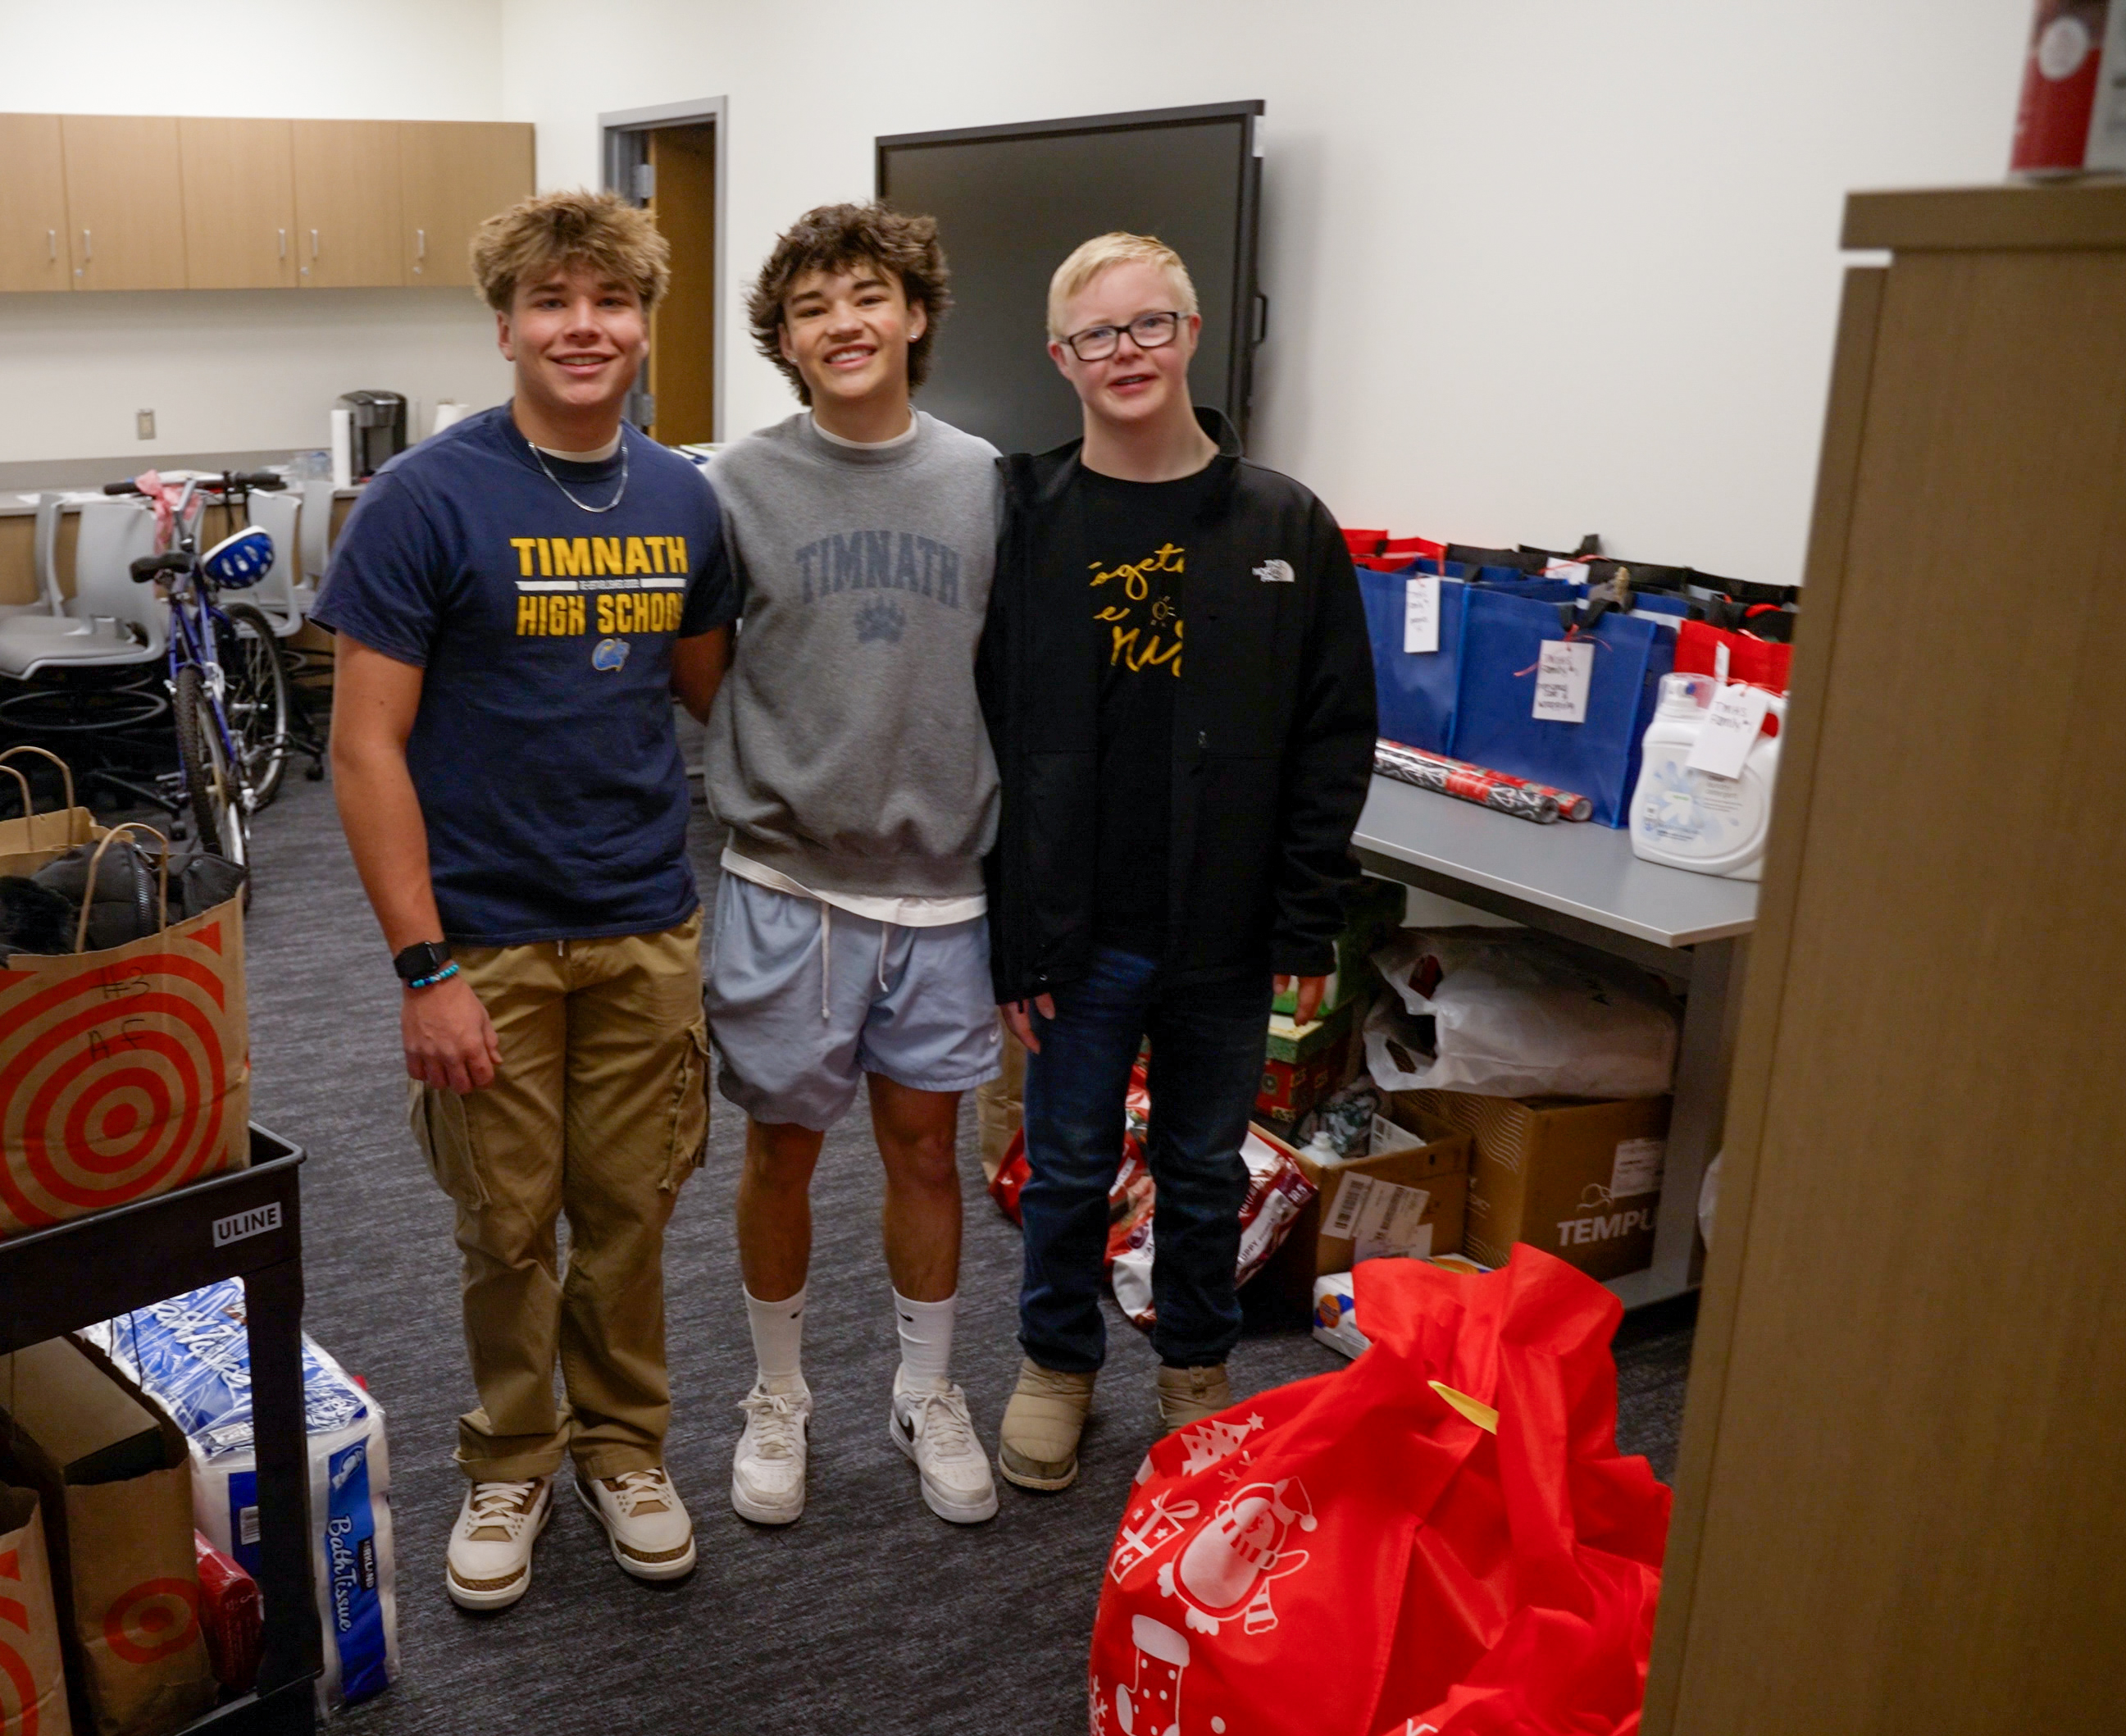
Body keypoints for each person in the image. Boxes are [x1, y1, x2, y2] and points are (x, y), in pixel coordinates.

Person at [313, 190, 738, 1611]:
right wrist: (421, 968)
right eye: (552, 303)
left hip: (640, 921)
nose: (583, 327)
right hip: (484, 938)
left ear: (640, 324)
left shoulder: (684, 499)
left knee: (630, 1211)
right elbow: (362, 746)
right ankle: (511, 1456)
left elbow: (718, 699)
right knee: (505, 1223)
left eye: (609, 302)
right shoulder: (426, 501)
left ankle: (626, 1447)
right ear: (505, 326)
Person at [978, 233, 1376, 1492]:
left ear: (1193, 335)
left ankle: (1196, 1369)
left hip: (1226, 923)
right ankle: (1056, 1363)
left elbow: (1332, 736)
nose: (1126, 353)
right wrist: (1012, 929)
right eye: (1098, 335)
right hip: (1073, 928)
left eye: (1149, 326)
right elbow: (982, 733)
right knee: (1069, 1166)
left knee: (1206, 1169)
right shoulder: (1021, 515)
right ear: (1060, 359)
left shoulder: (1282, 525)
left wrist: (1305, 925)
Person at [689, 203, 1006, 1529]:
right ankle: (779, 1396)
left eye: (867, 296)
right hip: (786, 883)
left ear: (916, 315)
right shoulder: (734, 485)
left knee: (928, 1155)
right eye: (812, 307)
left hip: (942, 890)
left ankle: (926, 1391)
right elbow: (702, 668)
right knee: (781, 1151)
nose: (844, 324)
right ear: (786, 339)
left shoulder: (989, 479)